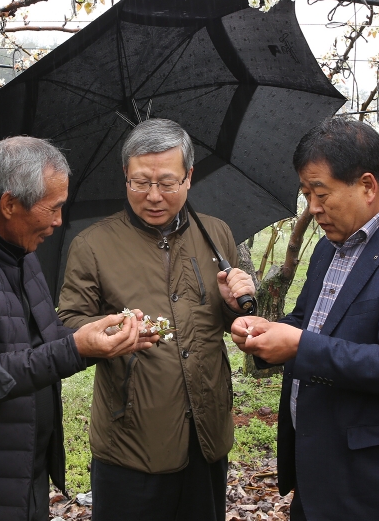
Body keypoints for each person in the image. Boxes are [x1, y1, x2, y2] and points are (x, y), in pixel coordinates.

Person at [231, 116, 379, 521]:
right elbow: (306, 320)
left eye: (321, 193)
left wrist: (300, 346)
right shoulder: (328, 249)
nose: (313, 209)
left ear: (368, 185)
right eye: (306, 194)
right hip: (316, 469)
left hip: (373, 485)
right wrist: (267, 331)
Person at [0, 136, 156, 520]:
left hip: (22, 472)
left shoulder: (21, 252)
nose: (58, 222)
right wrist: (78, 348)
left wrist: (102, 334)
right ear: (10, 204)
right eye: (53, 209)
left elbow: (40, 344)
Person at [57, 118, 257, 521]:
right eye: (139, 182)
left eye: (166, 183)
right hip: (131, 440)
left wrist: (234, 304)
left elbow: (219, 323)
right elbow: (70, 323)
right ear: (125, 176)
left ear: (188, 177)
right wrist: (113, 332)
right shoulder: (93, 246)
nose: (152, 196)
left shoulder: (216, 234)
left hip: (206, 434)